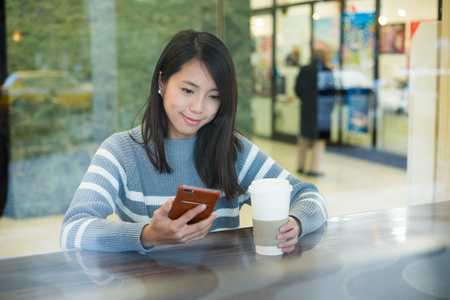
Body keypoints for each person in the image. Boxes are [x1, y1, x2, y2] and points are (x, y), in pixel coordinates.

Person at [60, 30, 327, 254]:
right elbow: (72, 230)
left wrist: (297, 222)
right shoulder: (120, 151)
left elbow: (309, 195)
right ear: (162, 82)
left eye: (214, 96)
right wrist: (147, 235)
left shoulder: (232, 150)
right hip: (148, 287)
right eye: (188, 90)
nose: (198, 108)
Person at [295, 50, 336, 177]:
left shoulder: (304, 70)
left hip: (306, 109)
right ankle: (313, 169)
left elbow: (297, 89)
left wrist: (306, 100)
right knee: (320, 140)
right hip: (322, 110)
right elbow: (331, 92)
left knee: (304, 137)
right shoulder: (326, 71)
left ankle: (300, 166)